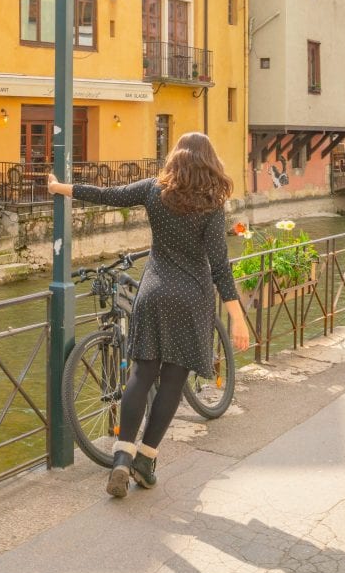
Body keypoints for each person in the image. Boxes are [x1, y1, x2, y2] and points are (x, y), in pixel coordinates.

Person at [48, 131, 250, 498]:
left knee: (141, 374)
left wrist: (61, 187)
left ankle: (121, 458)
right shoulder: (210, 204)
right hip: (191, 299)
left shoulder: (154, 191)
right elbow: (220, 266)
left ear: (175, 158)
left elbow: (107, 196)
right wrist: (237, 317)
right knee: (173, 382)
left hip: (154, 293)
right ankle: (146, 460)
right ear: (210, 162)